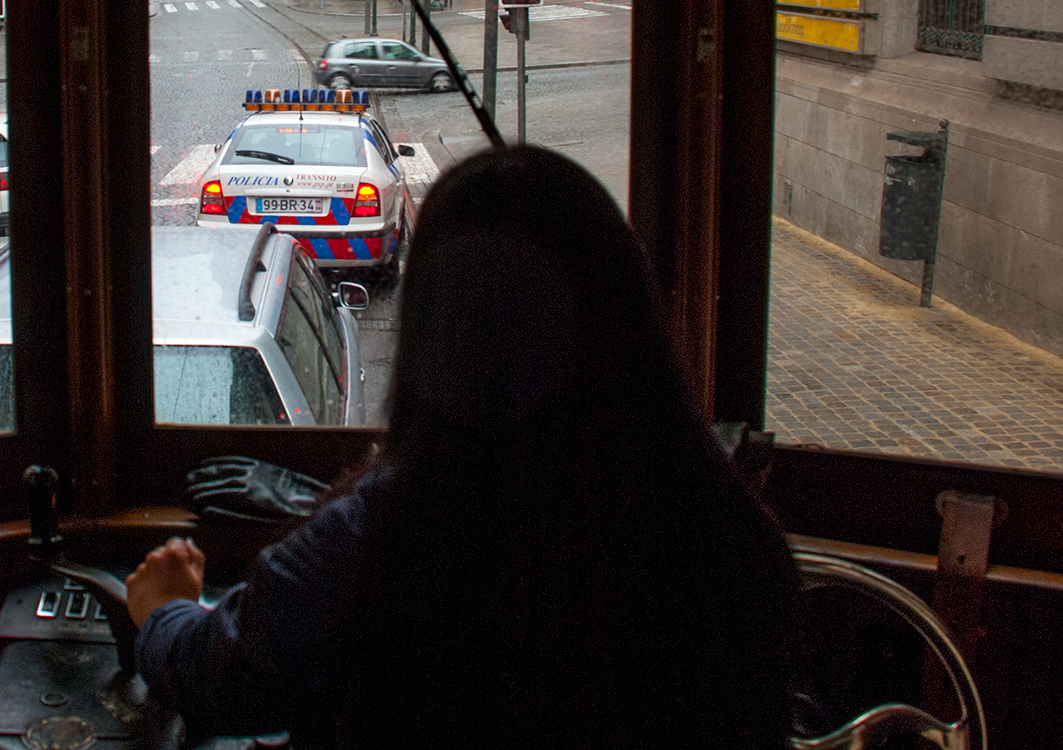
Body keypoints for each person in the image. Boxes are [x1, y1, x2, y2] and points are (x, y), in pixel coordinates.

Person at [126, 146, 798, 750]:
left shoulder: (384, 533)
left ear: (436, 339)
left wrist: (164, 608)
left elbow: (225, 674)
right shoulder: (734, 535)